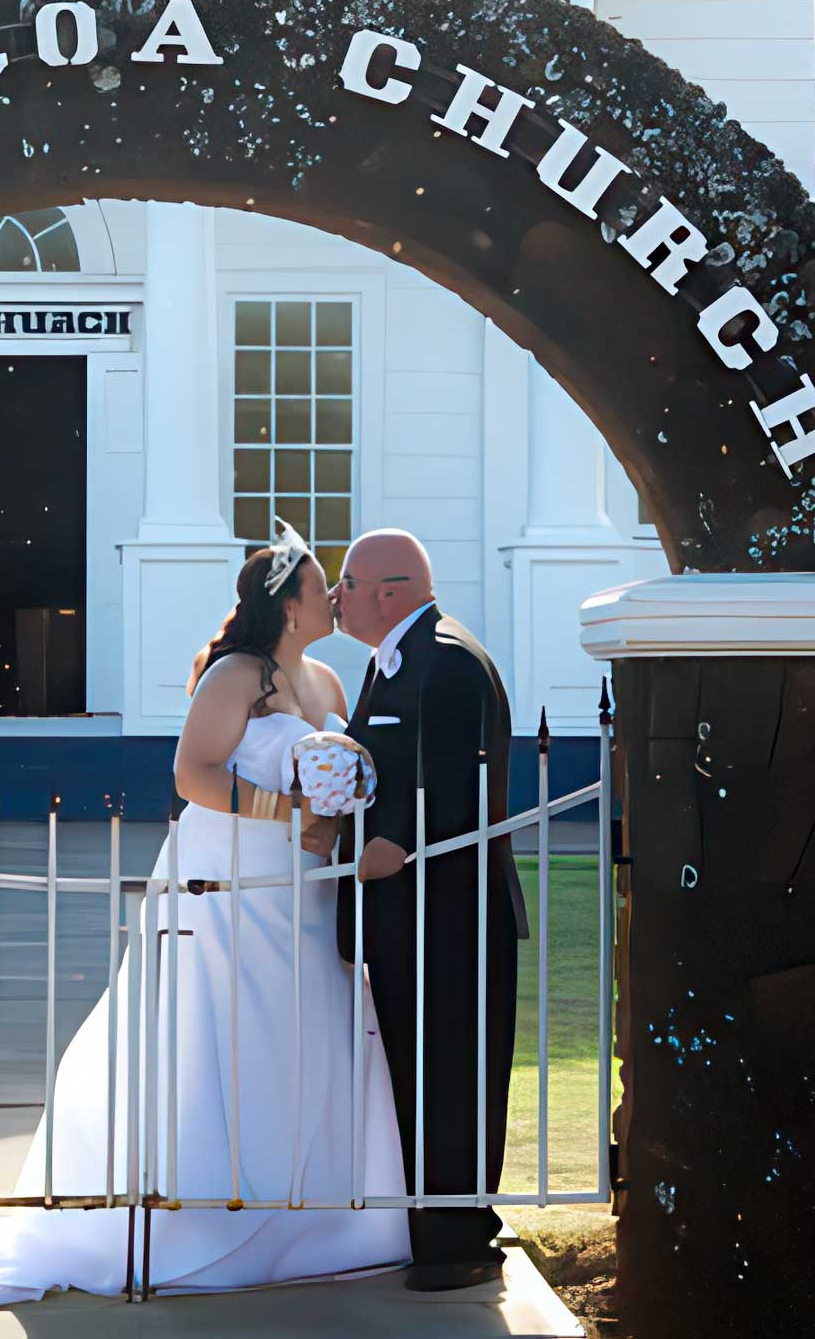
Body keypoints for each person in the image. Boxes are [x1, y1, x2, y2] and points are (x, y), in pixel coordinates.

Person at [0, 525, 410, 1306]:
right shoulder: (236, 677)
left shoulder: (327, 682)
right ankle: (204, 1210)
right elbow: (192, 774)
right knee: (217, 1036)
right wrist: (284, 809)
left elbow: (343, 776)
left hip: (308, 889)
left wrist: (338, 813)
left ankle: (308, 1219)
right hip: (226, 884)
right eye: (324, 586)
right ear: (290, 605)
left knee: (306, 1031)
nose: (336, 597)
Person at [332, 529, 525, 1292]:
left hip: (450, 917)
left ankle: (459, 1241)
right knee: (418, 1069)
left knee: (452, 1070)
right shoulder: (399, 661)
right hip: (412, 915)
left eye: (346, 582)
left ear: (390, 591)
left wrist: (396, 844)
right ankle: (431, 1225)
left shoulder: (445, 660)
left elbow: (454, 781)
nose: (337, 596)